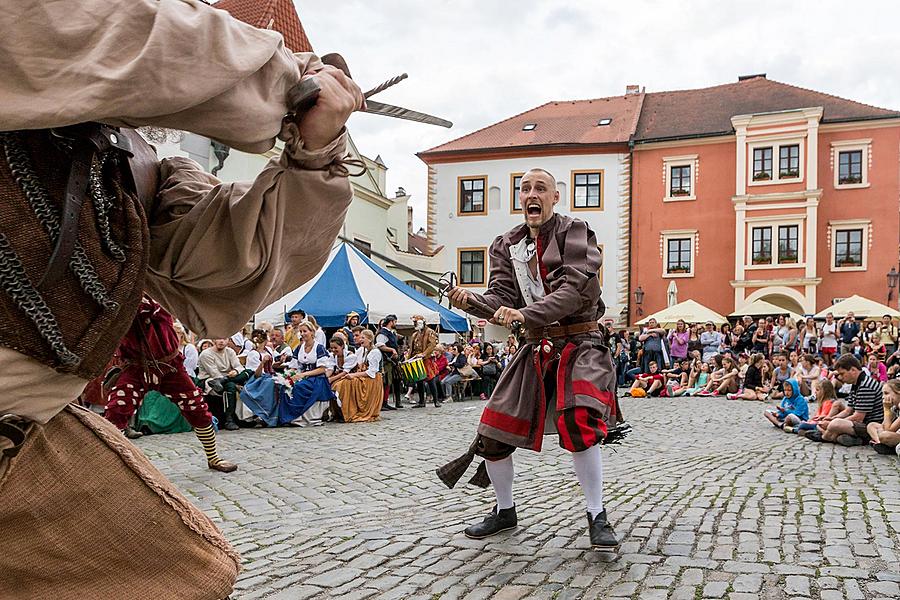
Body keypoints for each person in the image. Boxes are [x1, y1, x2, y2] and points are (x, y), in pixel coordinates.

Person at [441, 168, 622, 550]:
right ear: (519, 198)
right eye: (524, 189)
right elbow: (500, 296)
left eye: (540, 188)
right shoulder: (506, 243)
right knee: (493, 430)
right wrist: (470, 300)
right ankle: (504, 512)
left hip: (580, 342)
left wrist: (524, 314)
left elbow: (575, 290)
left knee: (578, 421)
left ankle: (596, 515)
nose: (531, 194)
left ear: (555, 197)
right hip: (536, 345)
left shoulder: (576, 232)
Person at [102, 297, 238, 474]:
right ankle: (107, 464)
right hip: (135, 367)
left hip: (169, 366)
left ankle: (213, 457)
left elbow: (159, 309)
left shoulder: (158, 297)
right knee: (116, 410)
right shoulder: (116, 300)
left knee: (196, 408)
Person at [810, 355, 884, 446]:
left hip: (870, 425)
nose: (840, 377)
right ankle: (840, 437)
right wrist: (831, 418)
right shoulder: (856, 383)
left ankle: (825, 436)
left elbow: (858, 417)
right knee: (830, 423)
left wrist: (832, 422)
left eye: (842, 374)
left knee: (835, 424)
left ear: (853, 370)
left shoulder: (866, 385)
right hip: (861, 423)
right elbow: (848, 410)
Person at [281, 321, 334, 426]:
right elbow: (294, 366)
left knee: (300, 387)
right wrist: (288, 376)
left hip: (317, 378)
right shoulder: (299, 348)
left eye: (305, 331)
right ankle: (288, 417)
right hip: (303, 376)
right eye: (301, 331)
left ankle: (298, 418)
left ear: (312, 332)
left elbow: (322, 369)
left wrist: (303, 375)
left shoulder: (319, 348)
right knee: (285, 386)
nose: (302, 334)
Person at [198, 338, 250, 431]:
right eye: (219, 339)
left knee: (248, 372)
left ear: (228, 341)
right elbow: (214, 373)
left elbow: (239, 367)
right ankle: (229, 420)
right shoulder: (206, 354)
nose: (221, 341)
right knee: (230, 386)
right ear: (214, 340)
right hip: (210, 380)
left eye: (224, 339)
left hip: (226, 378)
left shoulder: (230, 352)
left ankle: (224, 381)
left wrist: (235, 371)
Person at [336, 329, 384, 422]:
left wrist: (354, 375)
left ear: (370, 339)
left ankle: (349, 411)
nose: (360, 339)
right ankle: (342, 411)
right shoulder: (364, 351)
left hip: (372, 380)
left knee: (347, 383)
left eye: (363, 337)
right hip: (365, 377)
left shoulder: (375, 352)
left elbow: (372, 372)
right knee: (344, 382)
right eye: (360, 337)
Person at [406, 315, 441, 408]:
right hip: (416, 359)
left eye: (416, 322)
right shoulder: (415, 334)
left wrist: (424, 354)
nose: (414, 324)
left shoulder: (430, 332)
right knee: (419, 380)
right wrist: (408, 359)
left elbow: (432, 344)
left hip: (426, 359)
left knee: (430, 380)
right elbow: (411, 348)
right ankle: (421, 402)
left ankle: (436, 400)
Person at [376, 315, 402, 410]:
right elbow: (379, 345)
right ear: (391, 322)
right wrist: (391, 350)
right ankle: (382, 403)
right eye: (395, 321)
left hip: (391, 361)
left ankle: (385, 402)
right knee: (385, 382)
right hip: (385, 360)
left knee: (389, 382)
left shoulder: (391, 333)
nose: (396, 323)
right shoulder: (383, 333)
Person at [867, 379, 900, 455]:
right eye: (882, 394)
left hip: (895, 434)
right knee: (871, 425)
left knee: (884, 435)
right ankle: (880, 443)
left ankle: (886, 445)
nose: (883, 397)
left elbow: (888, 430)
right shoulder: (894, 407)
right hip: (895, 433)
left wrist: (886, 409)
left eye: (886, 393)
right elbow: (884, 425)